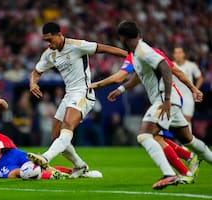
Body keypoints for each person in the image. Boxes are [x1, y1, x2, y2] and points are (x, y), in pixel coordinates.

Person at [89, 20, 212, 189]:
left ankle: (169, 174)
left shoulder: (143, 50)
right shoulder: (138, 53)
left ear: (122, 38)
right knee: (189, 140)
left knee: (144, 135)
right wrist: (122, 89)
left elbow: (167, 69)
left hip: (165, 100)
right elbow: (140, 76)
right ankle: (189, 162)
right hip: (169, 100)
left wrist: (168, 100)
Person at [27, 22, 128, 177]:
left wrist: (130, 56)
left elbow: (104, 48)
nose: (48, 43)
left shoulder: (77, 45)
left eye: (50, 39)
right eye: (45, 40)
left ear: (60, 35)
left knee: (67, 126)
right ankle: (80, 166)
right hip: (69, 95)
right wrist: (33, 82)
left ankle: (45, 157)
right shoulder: (49, 54)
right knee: (56, 137)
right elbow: (36, 71)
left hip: (84, 93)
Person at [172, 47, 204, 126]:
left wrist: (195, 90)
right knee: (174, 120)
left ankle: (188, 138)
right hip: (174, 96)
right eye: (176, 53)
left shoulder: (191, 65)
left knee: (187, 118)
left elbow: (200, 77)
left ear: (184, 54)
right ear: (173, 55)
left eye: (180, 52)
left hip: (188, 96)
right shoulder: (170, 65)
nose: (178, 55)